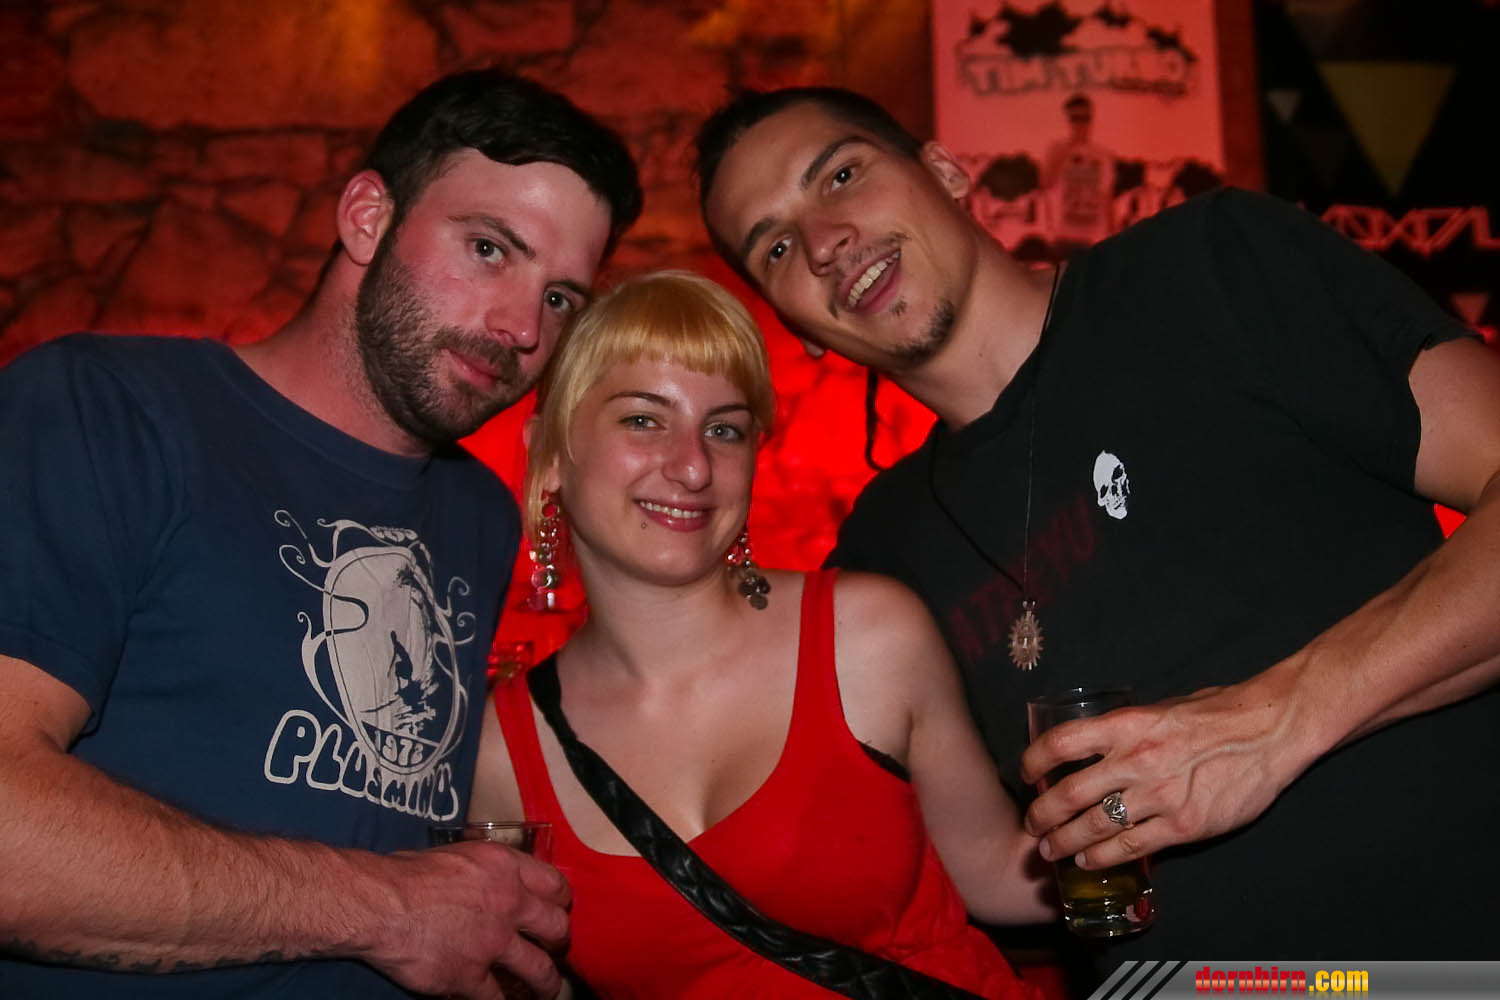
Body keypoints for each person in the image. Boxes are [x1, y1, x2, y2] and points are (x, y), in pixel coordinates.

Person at [694, 86, 1500, 960]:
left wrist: (1274, 722)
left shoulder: (1212, 265)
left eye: (842, 175)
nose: (824, 243)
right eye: (777, 247)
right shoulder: (880, 558)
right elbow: (962, 863)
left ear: (946, 172)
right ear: (796, 328)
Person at [0, 69, 641, 999]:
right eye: (490, 249)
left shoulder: (480, 516)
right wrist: (389, 908)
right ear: (368, 218)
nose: (519, 328)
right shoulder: (107, 409)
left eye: (560, 299)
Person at [468, 270, 1054, 998]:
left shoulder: (865, 637)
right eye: (643, 420)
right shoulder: (500, 753)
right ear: (551, 456)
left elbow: (997, 872)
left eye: (725, 429)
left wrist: (1144, 820)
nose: (693, 467)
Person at [1039, 93, 1115, 255]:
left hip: (1093, 238)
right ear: (1066, 120)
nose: (1081, 124)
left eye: (1085, 118)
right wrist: (1069, 147)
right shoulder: (1056, 151)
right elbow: (1046, 183)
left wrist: (1113, 238)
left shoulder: (1103, 156)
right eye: (1075, 118)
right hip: (1062, 235)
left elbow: (1107, 198)